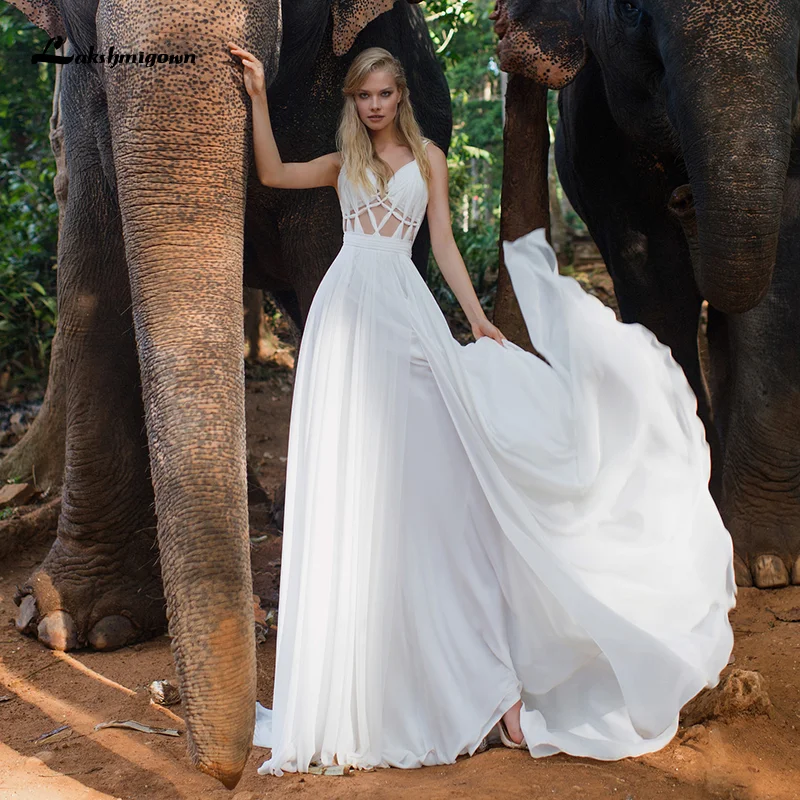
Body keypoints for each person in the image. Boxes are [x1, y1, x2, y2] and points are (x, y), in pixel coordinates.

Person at [227, 42, 736, 777]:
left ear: (400, 95)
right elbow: (273, 173)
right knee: (354, 481)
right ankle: (357, 679)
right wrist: (255, 97)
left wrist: (477, 319)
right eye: (362, 97)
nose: (372, 107)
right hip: (342, 317)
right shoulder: (343, 162)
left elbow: (441, 244)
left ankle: (484, 675)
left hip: (403, 311)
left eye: (382, 95)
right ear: (354, 102)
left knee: (442, 477)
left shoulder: (428, 158)